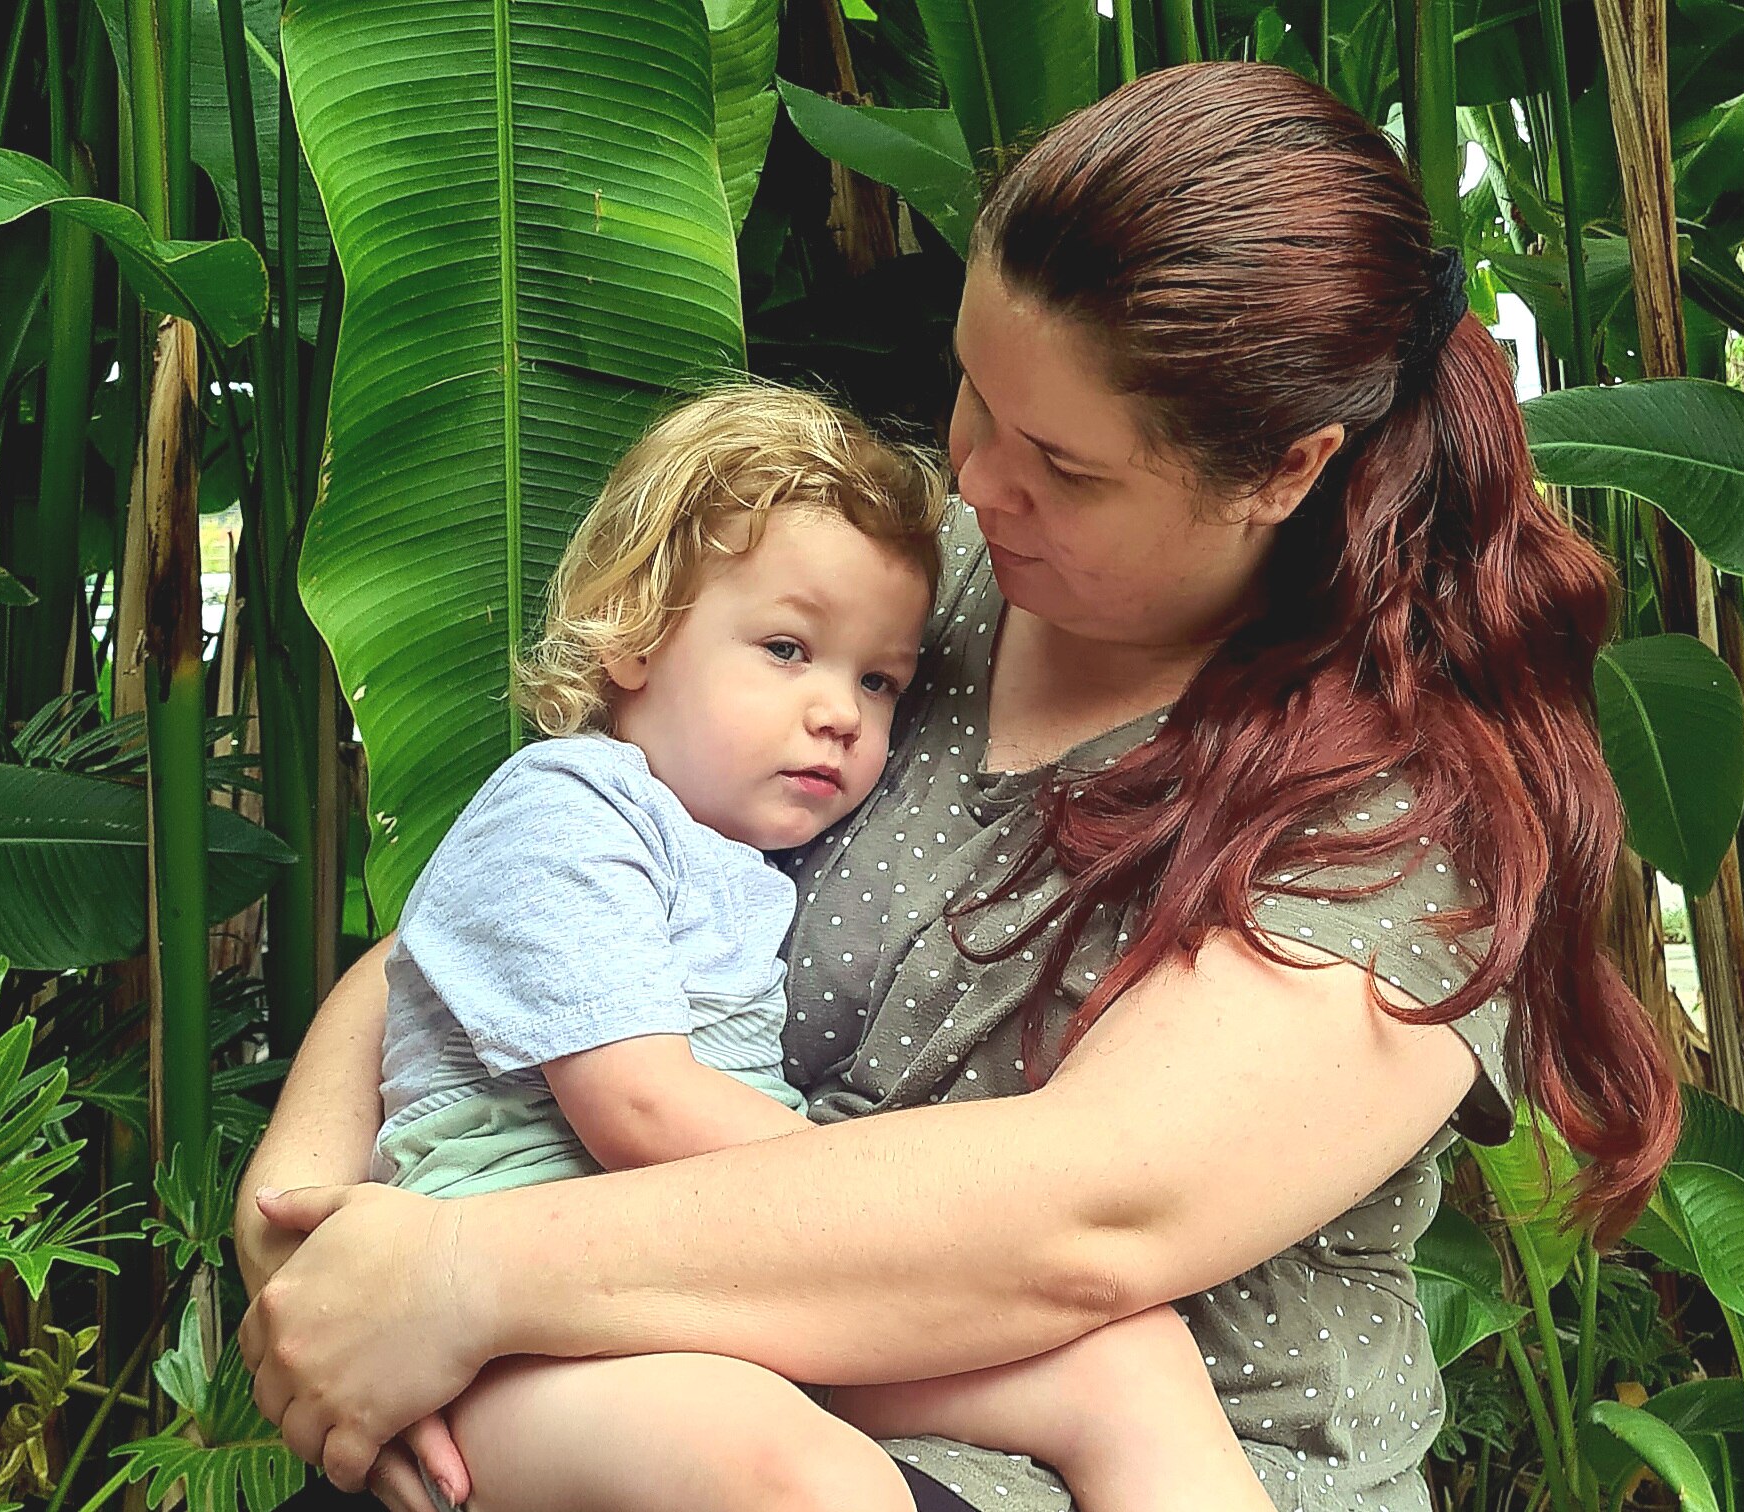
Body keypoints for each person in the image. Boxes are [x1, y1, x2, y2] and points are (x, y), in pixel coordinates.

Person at [237, 60, 1681, 1512]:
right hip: (687, 1342)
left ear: (1282, 471)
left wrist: (465, 1276)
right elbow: (542, 884)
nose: (977, 476)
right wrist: (312, 1218)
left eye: (1060, 461)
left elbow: (1077, 1220)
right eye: (971, 392)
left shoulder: (1411, 801)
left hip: (1067, 1460)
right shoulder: (914, 586)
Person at [370, 382, 1273, 1512]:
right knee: (802, 1483)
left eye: (878, 678)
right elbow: (637, 1109)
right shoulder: (564, 810)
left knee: (1125, 1363)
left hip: (699, 1273)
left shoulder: (739, 846)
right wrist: (910, 1230)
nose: (842, 711)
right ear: (636, 632)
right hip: (526, 1306)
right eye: (788, 649)